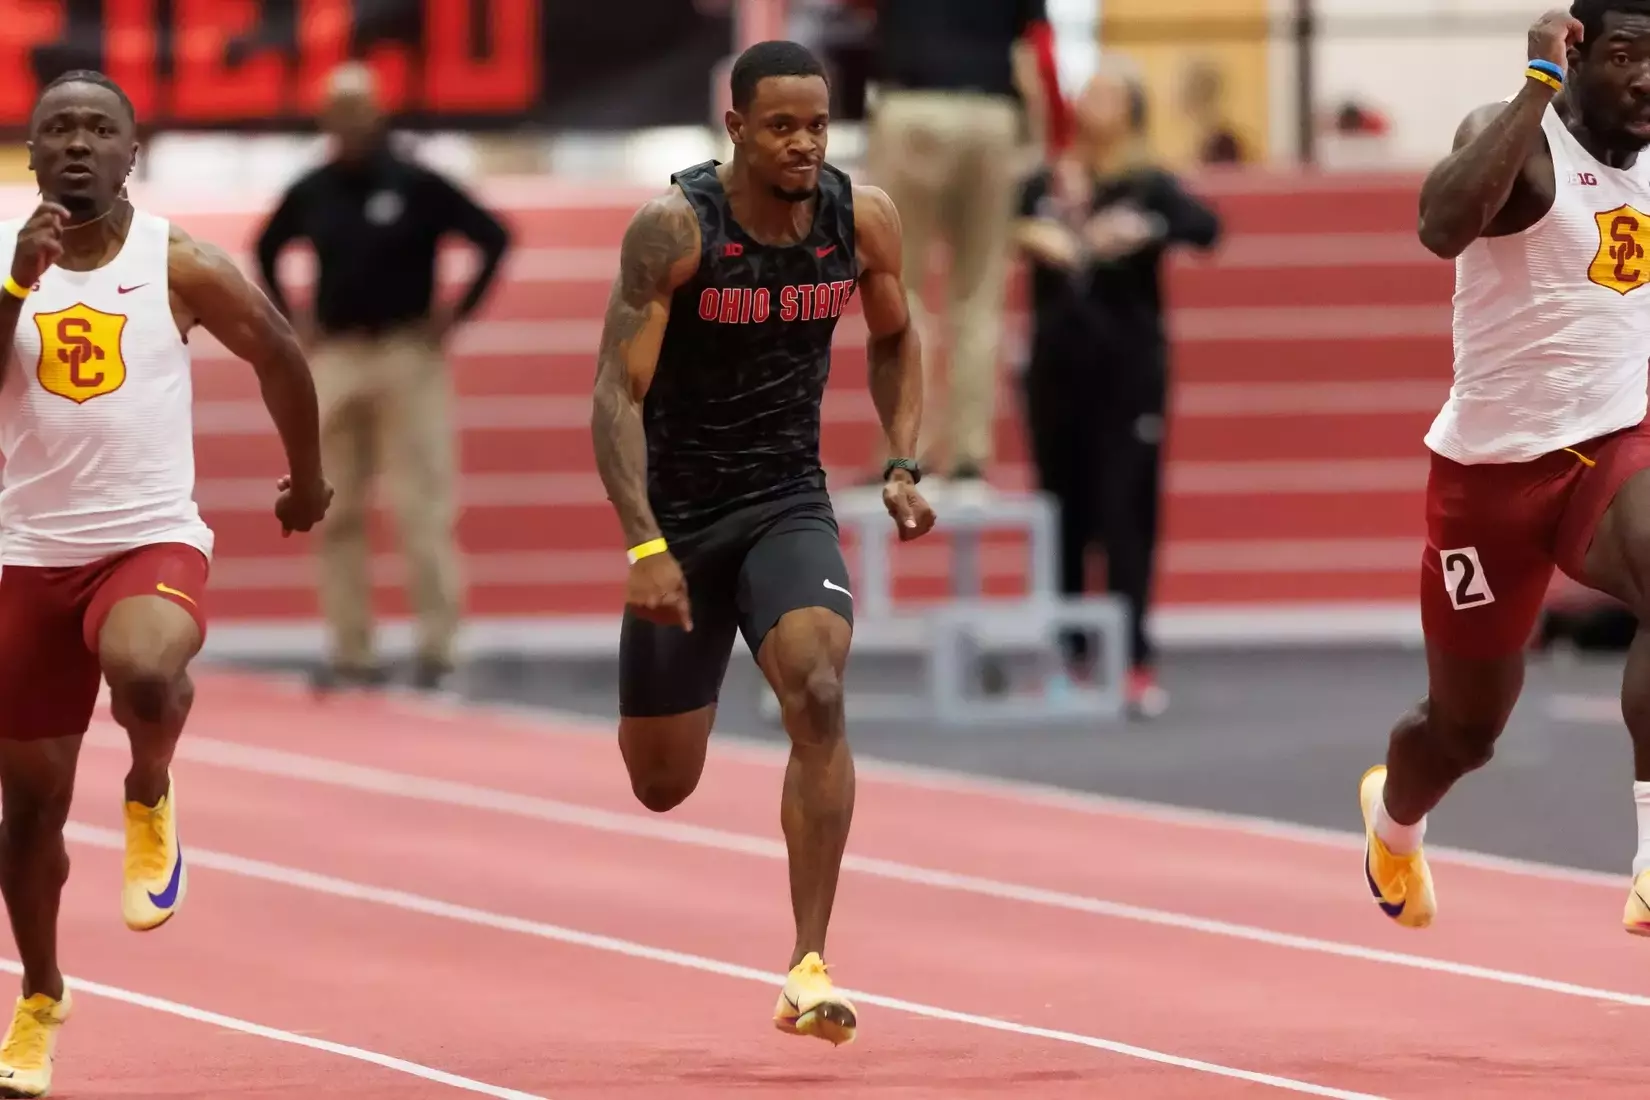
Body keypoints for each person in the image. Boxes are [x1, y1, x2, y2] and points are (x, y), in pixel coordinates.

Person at [589, 40, 935, 1046]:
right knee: (661, 780)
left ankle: (808, 962)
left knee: (820, 691)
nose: (804, 143)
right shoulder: (674, 230)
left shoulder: (858, 217)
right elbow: (617, 392)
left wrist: (904, 464)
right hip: (684, 519)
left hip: (788, 499)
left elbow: (898, 334)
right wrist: (645, 545)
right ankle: (669, 660)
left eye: (818, 124)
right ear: (734, 125)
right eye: (781, 125)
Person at [0, 71, 330, 1094]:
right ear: (33, 149)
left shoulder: (176, 259)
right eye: (60, 129)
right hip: (24, 551)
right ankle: (42, 991)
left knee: (144, 666)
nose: (80, 145)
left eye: (102, 129)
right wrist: (17, 285)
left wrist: (309, 479)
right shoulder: (7, 261)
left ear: (132, 150)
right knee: (30, 811)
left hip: (146, 536)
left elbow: (278, 348)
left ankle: (150, 783)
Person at [1360, 1, 1650, 936]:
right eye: (1623, 55)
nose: (1645, 77)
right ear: (1575, 49)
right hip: (1488, 480)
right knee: (1462, 732)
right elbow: (1441, 226)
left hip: (1607, 449)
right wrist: (1538, 86)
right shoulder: (1515, 139)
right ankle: (1392, 825)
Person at [256, 62, 510, 694]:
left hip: (407, 356)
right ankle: (351, 649)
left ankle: (440, 646)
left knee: (422, 507)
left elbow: (494, 236)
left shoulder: (419, 184)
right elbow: (266, 246)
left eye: (357, 112)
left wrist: (456, 313)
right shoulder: (311, 188)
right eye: (335, 114)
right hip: (337, 357)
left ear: (376, 115)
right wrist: (296, 321)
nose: (346, 125)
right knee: (331, 506)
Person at [1013, 66, 1219, 718]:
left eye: (1106, 94)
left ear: (1130, 110)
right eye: (1088, 91)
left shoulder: (1148, 184)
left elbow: (1207, 229)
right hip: (1056, 374)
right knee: (1063, 517)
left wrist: (1144, 230)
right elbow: (1001, 224)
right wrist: (1037, 235)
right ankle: (1068, 657)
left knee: (1126, 516)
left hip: (1129, 377)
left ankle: (1132, 659)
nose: (1091, 102)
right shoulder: (1046, 183)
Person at [861, 0, 1065, 492]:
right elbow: (1037, 48)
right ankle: (969, 457)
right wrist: (1049, 142)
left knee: (899, 288)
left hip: (913, 106)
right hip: (990, 113)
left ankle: (904, 452)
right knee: (978, 295)